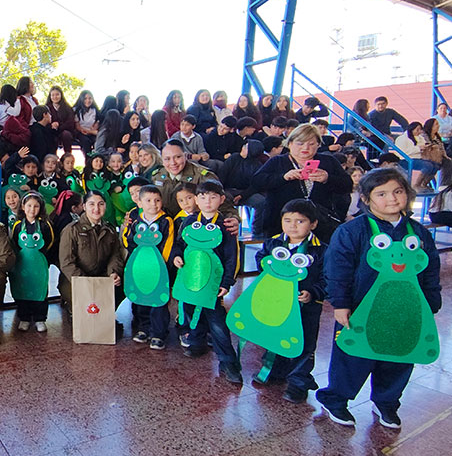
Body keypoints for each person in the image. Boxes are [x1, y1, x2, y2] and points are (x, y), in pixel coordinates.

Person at [315, 168, 441, 428]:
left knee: (399, 356)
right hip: (361, 310)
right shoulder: (352, 231)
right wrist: (340, 304)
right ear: (366, 198)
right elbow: (337, 271)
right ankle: (336, 399)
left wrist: (430, 304)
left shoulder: (418, 233)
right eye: (381, 194)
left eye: (398, 192)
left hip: (405, 311)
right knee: (353, 356)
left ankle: (387, 402)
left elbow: (430, 270)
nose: (392, 199)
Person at [254, 199, 326, 403]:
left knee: (304, 343)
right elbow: (261, 261)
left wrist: (313, 292)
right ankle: (274, 370)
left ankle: (299, 382)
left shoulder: (320, 249)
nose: (293, 226)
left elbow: (326, 279)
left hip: (307, 309)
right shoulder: (273, 243)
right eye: (287, 220)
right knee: (275, 335)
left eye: (300, 221)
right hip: (277, 303)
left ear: (313, 224)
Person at [172, 181, 242, 384]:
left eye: (212, 197)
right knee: (192, 312)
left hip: (212, 284)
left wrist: (227, 282)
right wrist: (177, 256)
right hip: (190, 278)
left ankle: (228, 360)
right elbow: (179, 244)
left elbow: (232, 257)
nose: (207, 201)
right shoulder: (188, 222)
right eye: (202, 197)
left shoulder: (226, 225)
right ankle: (196, 342)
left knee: (217, 320)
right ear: (196, 199)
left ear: (221, 199)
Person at [252, 123, 353, 241]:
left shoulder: (328, 161)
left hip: (320, 223)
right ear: (289, 144)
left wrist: (327, 178)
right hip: (281, 221)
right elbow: (257, 182)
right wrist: (283, 177)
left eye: (311, 144)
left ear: (319, 145)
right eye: (300, 144)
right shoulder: (277, 161)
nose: (305, 148)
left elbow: (347, 185)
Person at [145, 140, 240, 232]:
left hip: (197, 231)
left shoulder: (202, 176)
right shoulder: (156, 177)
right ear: (162, 159)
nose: (173, 163)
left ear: (185, 156)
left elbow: (224, 204)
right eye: (167, 159)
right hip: (165, 230)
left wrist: (233, 218)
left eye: (177, 157)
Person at [121, 185, 173, 349]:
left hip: (158, 268)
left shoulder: (166, 220)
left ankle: (158, 333)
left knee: (158, 300)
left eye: (157, 200)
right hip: (140, 267)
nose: (153, 204)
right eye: (148, 200)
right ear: (140, 203)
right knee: (141, 298)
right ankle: (143, 328)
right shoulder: (136, 219)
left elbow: (168, 244)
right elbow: (127, 239)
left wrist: (161, 264)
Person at [58, 191, 125, 316]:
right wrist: (85, 282)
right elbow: (67, 263)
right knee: (84, 306)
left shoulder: (109, 229)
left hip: (102, 277)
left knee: (121, 285)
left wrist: (113, 273)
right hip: (76, 280)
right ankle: (75, 310)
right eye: (91, 204)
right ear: (84, 207)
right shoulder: (72, 230)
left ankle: (105, 315)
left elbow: (115, 255)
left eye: (101, 204)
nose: (96, 208)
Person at [10, 192, 54, 332]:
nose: (32, 209)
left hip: (39, 264)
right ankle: (24, 318)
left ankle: (40, 318)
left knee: (40, 290)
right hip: (23, 264)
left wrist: (41, 256)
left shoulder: (45, 225)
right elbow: (14, 243)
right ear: (23, 207)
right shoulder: (17, 225)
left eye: (36, 206)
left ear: (40, 208)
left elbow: (50, 241)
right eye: (29, 205)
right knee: (23, 289)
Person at [394, 121, 440, 191]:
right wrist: (418, 148)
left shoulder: (420, 137)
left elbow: (423, 145)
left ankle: (424, 184)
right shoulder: (401, 139)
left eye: (420, 129)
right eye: (417, 130)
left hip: (419, 158)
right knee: (427, 166)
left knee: (436, 165)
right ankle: (417, 185)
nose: (419, 131)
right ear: (412, 129)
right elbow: (402, 152)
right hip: (405, 159)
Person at [46, 86, 77, 152]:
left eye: (57, 94)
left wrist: (59, 125)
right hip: (52, 131)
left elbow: (70, 122)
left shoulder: (67, 107)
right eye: (53, 95)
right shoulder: (47, 107)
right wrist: (52, 125)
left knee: (66, 135)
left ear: (61, 95)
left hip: (65, 130)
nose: (55, 97)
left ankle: (67, 156)